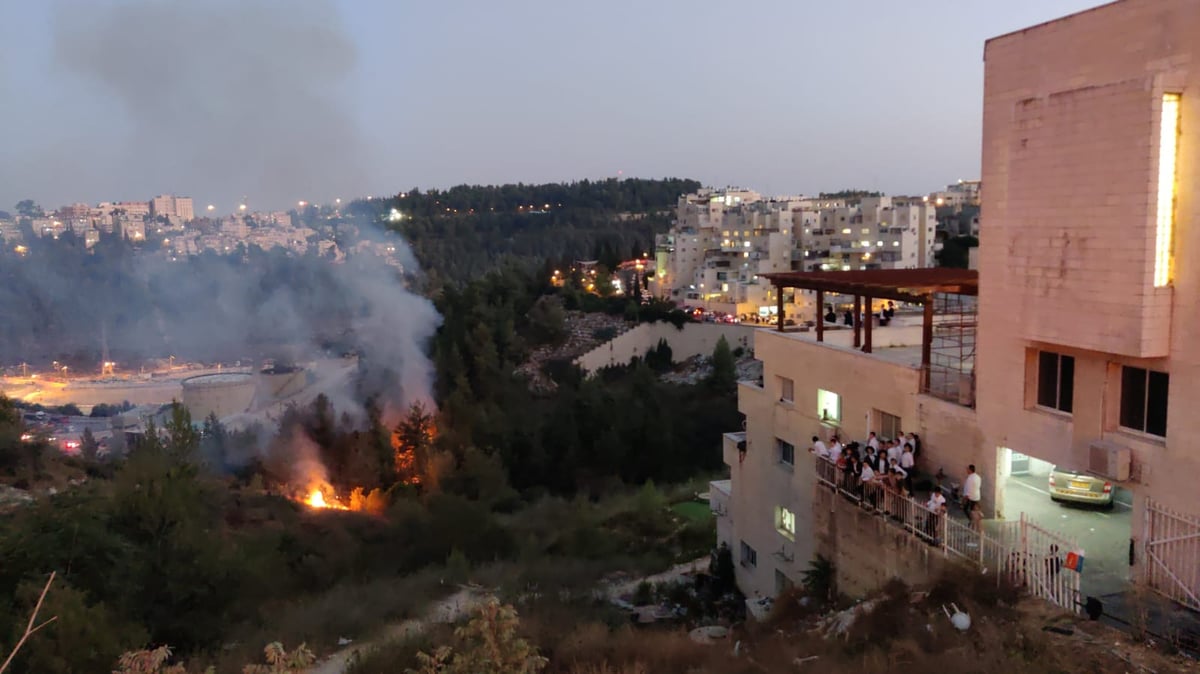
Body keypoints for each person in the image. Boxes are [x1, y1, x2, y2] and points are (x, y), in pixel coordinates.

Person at [963, 464, 982, 529]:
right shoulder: (978, 477)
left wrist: (966, 496)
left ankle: (972, 521)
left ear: (970, 470)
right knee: (972, 510)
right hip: (976, 496)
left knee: (967, 509)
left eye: (967, 469)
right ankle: (973, 522)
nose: (966, 470)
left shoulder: (970, 478)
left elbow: (969, 488)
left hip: (970, 497)